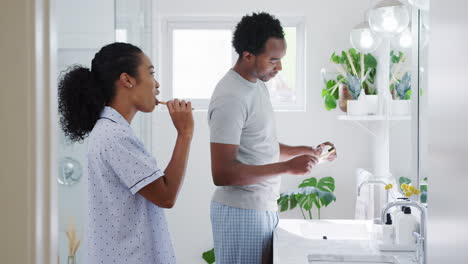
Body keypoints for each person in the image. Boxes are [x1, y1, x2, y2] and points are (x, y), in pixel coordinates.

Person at [208, 12, 337, 264]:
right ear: (247, 55)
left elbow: (259, 145)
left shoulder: (256, 85)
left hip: (262, 207)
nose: (279, 67)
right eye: (273, 60)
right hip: (241, 212)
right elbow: (222, 173)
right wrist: (288, 167)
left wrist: (307, 151)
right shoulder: (231, 98)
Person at [58, 42, 193, 263]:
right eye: (151, 73)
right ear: (127, 80)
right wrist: (184, 134)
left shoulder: (111, 130)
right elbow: (166, 197)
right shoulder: (115, 136)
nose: (157, 84)